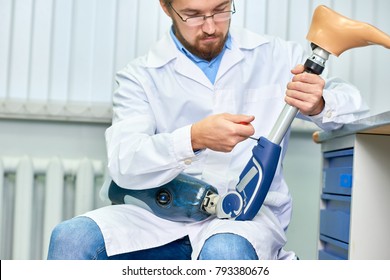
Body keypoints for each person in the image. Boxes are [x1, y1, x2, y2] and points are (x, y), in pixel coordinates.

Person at [47, 0, 369, 260]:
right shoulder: (140, 76)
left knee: (224, 251)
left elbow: (354, 108)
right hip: (160, 216)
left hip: (245, 220)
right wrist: (192, 139)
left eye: (220, 9)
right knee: (71, 238)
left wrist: (320, 102)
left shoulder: (275, 55)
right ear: (165, 7)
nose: (211, 26)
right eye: (193, 15)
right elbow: (124, 164)